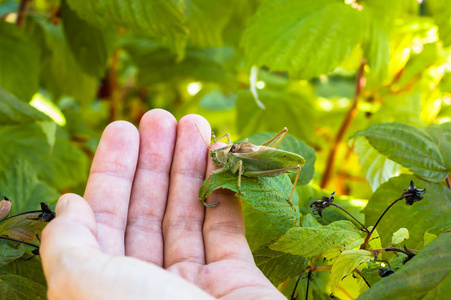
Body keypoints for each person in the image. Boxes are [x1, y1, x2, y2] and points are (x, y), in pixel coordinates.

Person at [40, 109, 286, 299]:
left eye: (215, 154)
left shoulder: (236, 157)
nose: (213, 156)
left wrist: (240, 185)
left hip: (257, 165)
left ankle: (285, 190)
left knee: (262, 160)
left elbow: (238, 163)